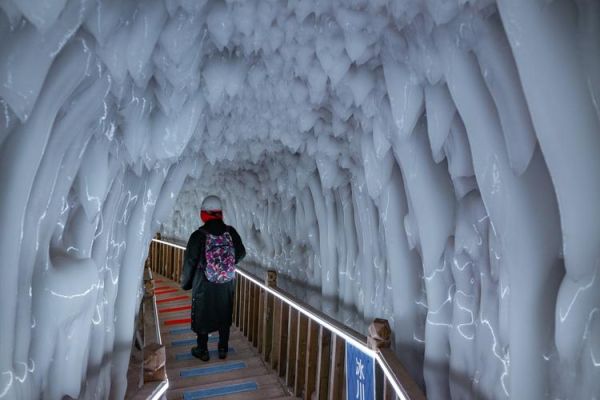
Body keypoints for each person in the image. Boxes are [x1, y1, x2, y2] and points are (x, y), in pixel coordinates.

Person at [180, 195, 246, 361]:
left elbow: (190, 262)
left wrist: (186, 283)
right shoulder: (230, 232)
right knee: (224, 312)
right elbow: (242, 252)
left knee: (202, 315)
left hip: (204, 283)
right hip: (226, 283)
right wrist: (227, 264)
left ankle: (203, 350)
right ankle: (223, 348)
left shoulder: (198, 235)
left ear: (204, 214)